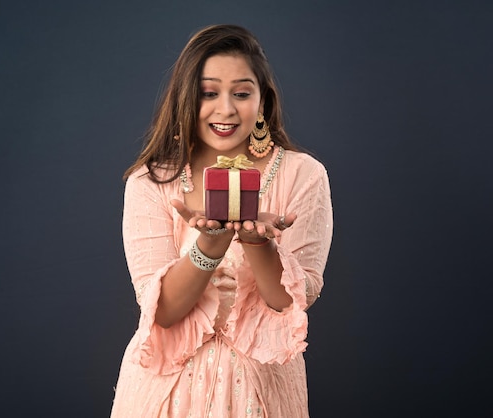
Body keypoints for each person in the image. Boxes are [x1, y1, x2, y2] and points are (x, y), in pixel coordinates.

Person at [110, 24, 333, 417]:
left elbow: (290, 303)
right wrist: (209, 246)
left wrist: (258, 242)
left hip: (263, 395)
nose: (226, 108)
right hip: (164, 396)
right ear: (185, 100)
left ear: (263, 101)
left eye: (242, 93)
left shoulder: (304, 175)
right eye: (209, 93)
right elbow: (161, 310)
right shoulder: (151, 181)